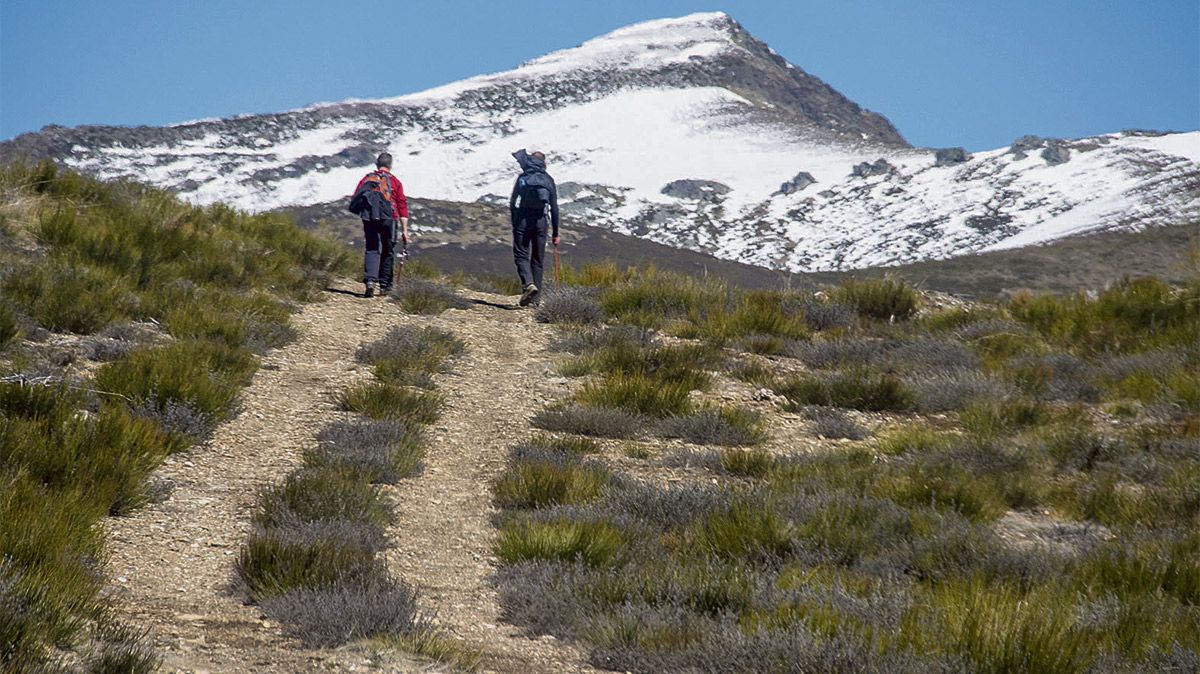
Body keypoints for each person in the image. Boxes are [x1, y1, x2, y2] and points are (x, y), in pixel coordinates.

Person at [351, 152, 409, 297]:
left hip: (369, 217)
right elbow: (402, 206)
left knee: (372, 248)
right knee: (388, 250)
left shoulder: (367, 179)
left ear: (377, 164)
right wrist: (405, 231)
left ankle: (370, 282)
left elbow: (357, 196)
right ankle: (385, 286)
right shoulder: (395, 182)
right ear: (390, 165)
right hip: (389, 219)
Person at [509, 149, 560, 307]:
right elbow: (554, 207)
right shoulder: (548, 180)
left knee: (521, 255)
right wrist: (556, 233)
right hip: (541, 222)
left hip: (523, 220)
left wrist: (515, 219)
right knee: (538, 260)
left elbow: (513, 201)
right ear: (544, 163)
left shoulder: (523, 177)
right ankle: (535, 302)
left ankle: (528, 284)